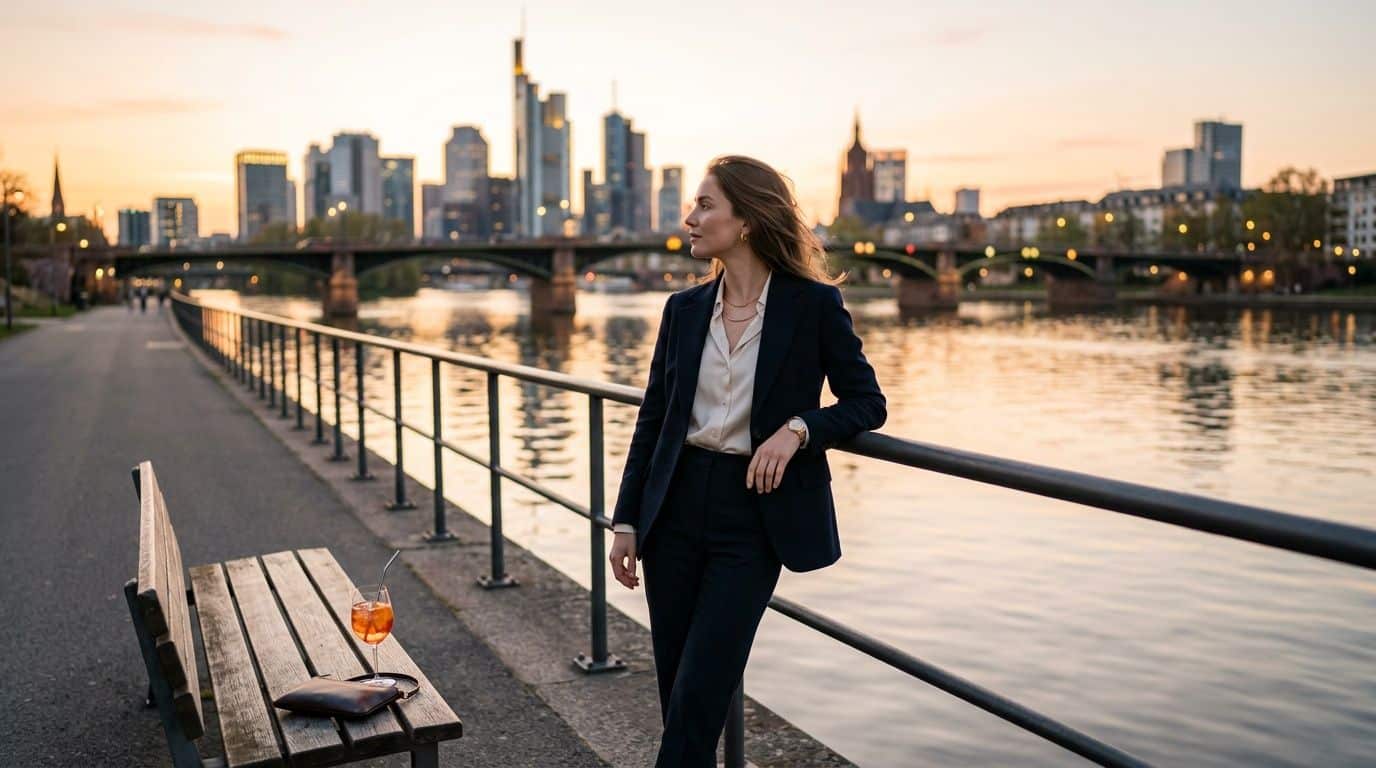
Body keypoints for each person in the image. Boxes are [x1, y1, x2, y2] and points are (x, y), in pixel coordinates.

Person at [609, 155, 886, 767]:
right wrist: (626, 519)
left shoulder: (811, 306)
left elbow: (868, 403)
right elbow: (653, 421)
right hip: (673, 510)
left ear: (748, 220)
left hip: (754, 519)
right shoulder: (683, 311)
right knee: (676, 696)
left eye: (705, 205)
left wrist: (799, 429)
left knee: (699, 696)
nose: (689, 218)